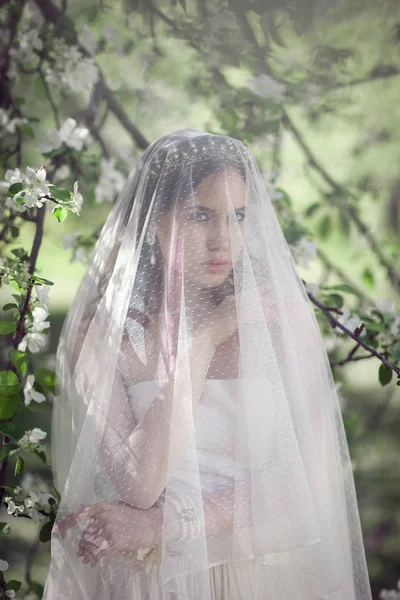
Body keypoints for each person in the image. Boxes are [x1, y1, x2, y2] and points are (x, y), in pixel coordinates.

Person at [43, 130, 372, 599]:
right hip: (153, 584)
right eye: (200, 216)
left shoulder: (279, 321)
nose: (223, 241)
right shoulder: (104, 336)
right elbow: (140, 482)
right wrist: (202, 341)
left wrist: (162, 524)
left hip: (262, 578)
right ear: (155, 222)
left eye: (237, 217)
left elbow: (306, 497)